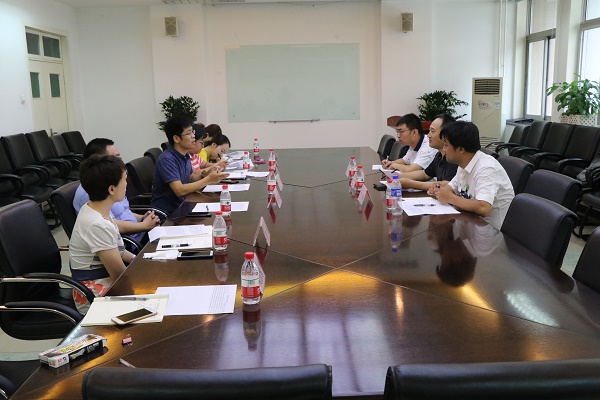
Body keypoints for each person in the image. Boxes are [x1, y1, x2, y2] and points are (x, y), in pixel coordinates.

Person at [69, 154, 135, 312]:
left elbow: (118, 251)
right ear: (111, 189)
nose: (127, 184)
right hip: (95, 294)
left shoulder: (96, 207)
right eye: (124, 180)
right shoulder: (97, 224)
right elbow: (119, 275)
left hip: (105, 281)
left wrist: (141, 260)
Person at [430, 121, 514, 230]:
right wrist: (438, 190)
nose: (444, 149)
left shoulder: (486, 168)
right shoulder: (463, 163)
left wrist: (450, 198)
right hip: (471, 226)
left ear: (461, 149)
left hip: (491, 233)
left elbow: (484, 207)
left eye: (446, 145)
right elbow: (450, 188)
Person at [73, 138, 160, 244]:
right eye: (114, 158)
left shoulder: (111, 182)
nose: (119, 162)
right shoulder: (92, 191)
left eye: (119, 157)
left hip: (137, 235)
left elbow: (124, 212)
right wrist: (144, 225)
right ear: (99, 161)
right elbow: (110, 225)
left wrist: (142, 218)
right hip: (129, 242)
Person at [151, 115, 229, 215]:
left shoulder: (185, 155)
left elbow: (191, 177)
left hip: (184, 204)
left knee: (220, 202)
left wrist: (206, 174)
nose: (193, 136)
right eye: (189, 133)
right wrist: (208, 179)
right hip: (169, 213)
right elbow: (180, 190)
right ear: (176, 138)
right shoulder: (167, 159)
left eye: (193, 132)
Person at [398, 114, 457, 191]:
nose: (428, 135)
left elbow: (447, 185)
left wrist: (410, 184)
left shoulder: (454, 157)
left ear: (445, 134)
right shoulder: (439, 155)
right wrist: (399, 176)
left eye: (432, 131)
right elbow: (425, 174)